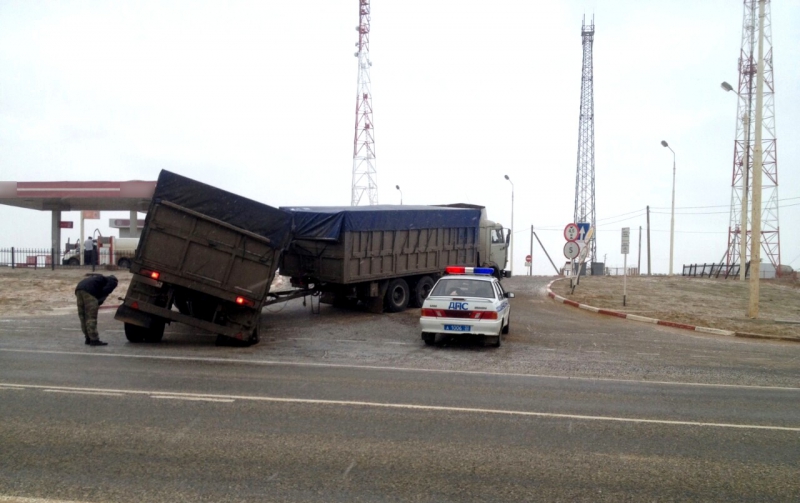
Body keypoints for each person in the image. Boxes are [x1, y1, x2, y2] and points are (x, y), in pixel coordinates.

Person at [75, 274, 118, 346]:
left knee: (83, 317)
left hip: (79, 289)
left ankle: (88, 338)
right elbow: (105, 291)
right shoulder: (112, 281)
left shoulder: (99, 278)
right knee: (91, 318)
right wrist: (98, 302)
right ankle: (94, 340)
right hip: (90, 291)